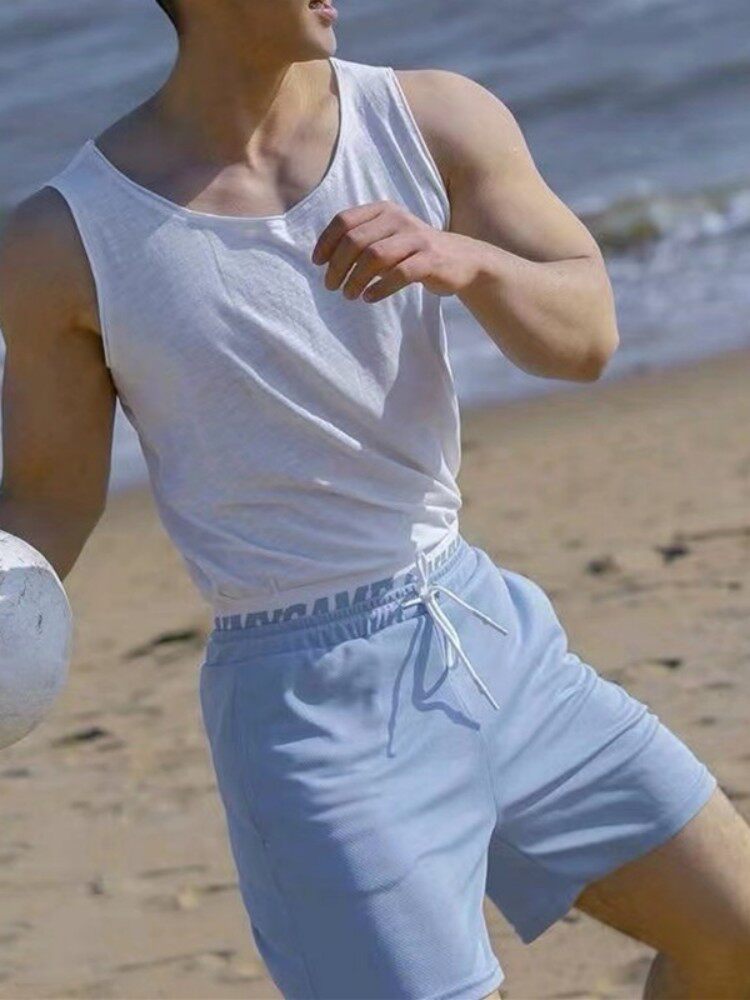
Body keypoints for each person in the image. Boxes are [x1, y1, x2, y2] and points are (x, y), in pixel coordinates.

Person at [1, 1, 748, 996]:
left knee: (735, 932)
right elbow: (47, 502)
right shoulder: (65, 238)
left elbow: (587, 337)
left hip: (490, 638)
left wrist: (468, 261)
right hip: (309, 714)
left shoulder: (434, 119)